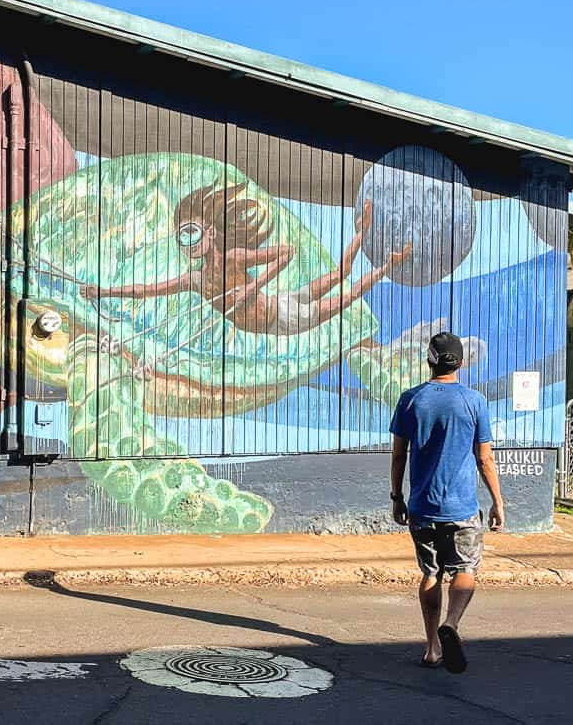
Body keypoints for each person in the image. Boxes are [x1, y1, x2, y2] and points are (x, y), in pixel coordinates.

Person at [79, 182, 411, 335]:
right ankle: (386, 260)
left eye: (193, 232)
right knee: (343, 285)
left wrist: (253, 288)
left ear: (209, 232)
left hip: (283, 313)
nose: (189, 242)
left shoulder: (236, 257)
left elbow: (286, 253)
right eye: (183, 236)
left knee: (344, 283)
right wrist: (102, 292)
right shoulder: (195, 280)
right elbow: (145, 290)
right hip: (278, 314)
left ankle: (370, 240)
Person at [389, 332, 505, 674]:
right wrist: (498, 501)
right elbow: (484, 459)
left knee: (430, 573)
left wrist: (397, 497)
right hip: (463, 509)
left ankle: (431, 648)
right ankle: (452, 623)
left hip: (422, 507)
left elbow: (399, 456)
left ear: (429, 361)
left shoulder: (410, 400)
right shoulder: (474, 401)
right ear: (461, 363)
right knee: (465, 569)